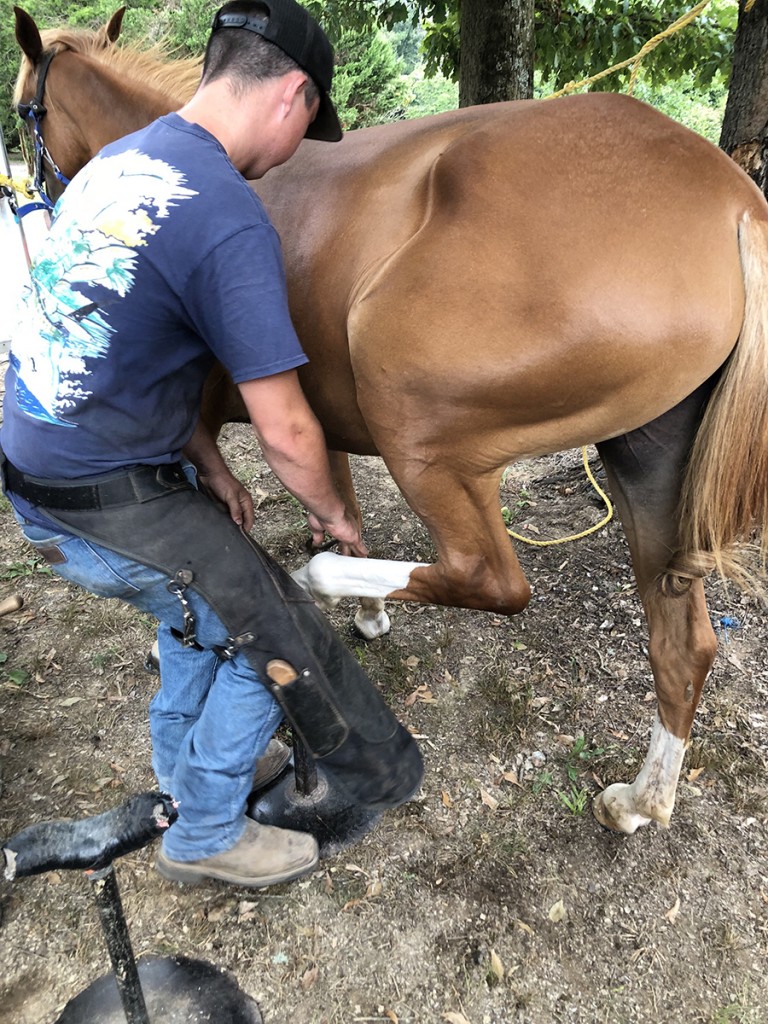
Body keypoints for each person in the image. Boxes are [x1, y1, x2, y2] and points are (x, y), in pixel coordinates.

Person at [0, 0, 372, 889]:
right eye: (307, 130)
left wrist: (206, 460)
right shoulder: (226, 213)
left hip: (37, 472)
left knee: (196, 609)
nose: (296, 154)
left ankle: (187, 774)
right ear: (292, 96)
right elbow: (284, 427)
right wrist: (335, 517)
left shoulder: (116, 166)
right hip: (104, 499)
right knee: (273, 630)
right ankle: (206, 831)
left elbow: (123, 341)